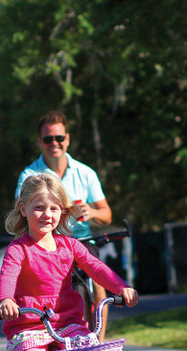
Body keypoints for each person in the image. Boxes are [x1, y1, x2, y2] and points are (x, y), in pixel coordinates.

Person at [0, 173, 138, 351]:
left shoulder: (69, 245)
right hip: (30, 327)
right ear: (23, 209)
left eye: (54, 208)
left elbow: (96, 268)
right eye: (38, 207)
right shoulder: (19, 249)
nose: (46, 214)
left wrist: (121, 287)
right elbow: (8, 274)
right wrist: (6, 300)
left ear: (62, 212)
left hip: (68, 324)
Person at [14, 111, 115, 331]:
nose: (55, 143)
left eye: (59, 138)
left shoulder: (85, 173)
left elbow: (107, 214)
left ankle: (99, 343)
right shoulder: (29, 175)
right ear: (40, 142)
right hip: (45, 243)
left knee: (99, 283)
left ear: (67, 139)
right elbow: (19, 211)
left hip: (81, 239)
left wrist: (92, 212)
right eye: (49, 139)